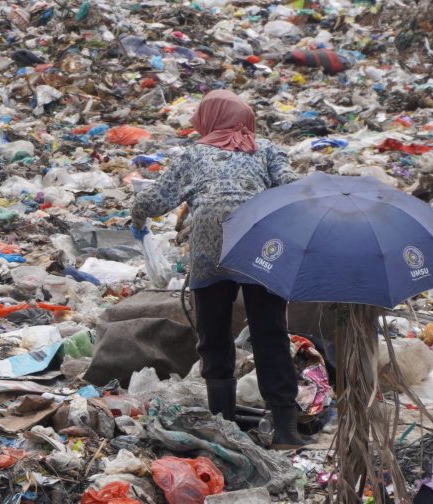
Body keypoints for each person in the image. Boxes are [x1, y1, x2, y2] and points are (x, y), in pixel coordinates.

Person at [130, 90, 306, 449]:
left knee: (214, 335)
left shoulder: (194, 154)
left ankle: (224, 425)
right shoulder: (267, 149)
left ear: (208, 120)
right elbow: (291, 187)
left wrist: (136, 214)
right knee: (270, 333)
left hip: (211, 248)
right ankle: (286, 428)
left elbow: (155, 199)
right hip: (261, 246)